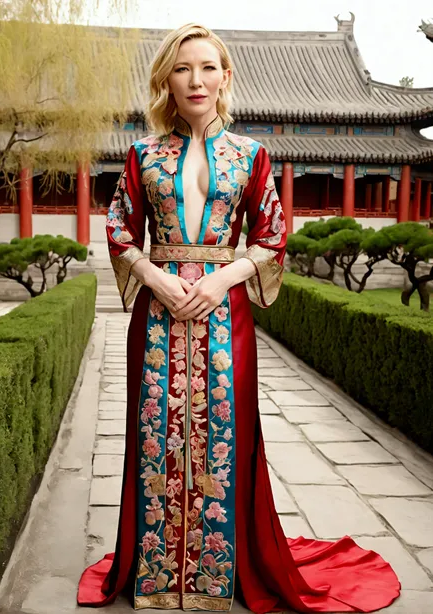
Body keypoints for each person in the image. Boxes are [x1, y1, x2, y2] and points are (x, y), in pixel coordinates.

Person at [77, 23, 401, 613]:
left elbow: (273, 235)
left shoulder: (251, 156)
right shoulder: (142, 154)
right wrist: (156, 278)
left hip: (227, 315)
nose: (195, 80)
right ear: (166, 82)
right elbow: (121, 231)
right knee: (157, 431)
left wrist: (223, 278)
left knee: (225, 434)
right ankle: (156, 572)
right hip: (157, 315)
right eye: (182, 68)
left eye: (207, 68)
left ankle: (218, 573)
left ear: (226, 77)